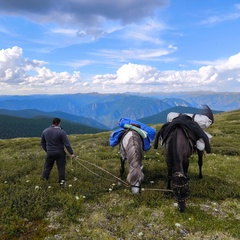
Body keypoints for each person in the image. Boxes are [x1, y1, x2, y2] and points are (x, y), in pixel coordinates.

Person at [41, 117, 75, 185]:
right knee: (61, 169)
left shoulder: (45, 131)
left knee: (47, 168)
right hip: (60, 153)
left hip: (50, 152)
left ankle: (43, 181)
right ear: (58, 123)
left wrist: (47, 150)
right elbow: (67, 144)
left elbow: (42, 143)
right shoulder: (61, 132)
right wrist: (71, 153)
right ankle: (61, 183)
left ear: (52, 123)